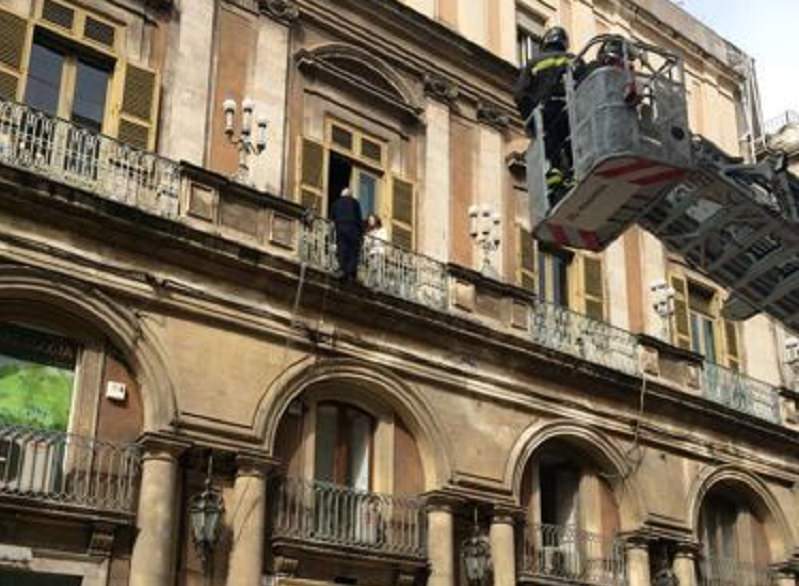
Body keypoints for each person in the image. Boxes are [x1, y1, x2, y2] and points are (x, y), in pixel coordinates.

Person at [513, 26, 578, 203]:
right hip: (570, 111)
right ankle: (572, 176)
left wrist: (530, 117)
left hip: (545, 114)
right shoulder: (573, 60)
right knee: (572, 145)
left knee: (551, 150)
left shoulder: (534, 63)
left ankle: (554, 182)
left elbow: (519, 94)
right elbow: (586, 82)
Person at [330, 187, 363, 282]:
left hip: (340, 227)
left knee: (342, 249)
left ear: (342, 194)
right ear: (350, 194)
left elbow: (332, 220)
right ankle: (351, 272)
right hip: (352, 228)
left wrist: (331, 235)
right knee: (353, 251)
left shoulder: (336, 203)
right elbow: (359, 218)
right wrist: (361, 234)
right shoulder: (355, 202)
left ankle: (342, 269)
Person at [364, 214, 387, 286]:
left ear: (376, 220)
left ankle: (377, 283)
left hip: (378, 252)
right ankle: (369, 283)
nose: (370, 222)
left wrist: (372, 241)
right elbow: (366, 243)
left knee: (377, 268)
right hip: (371, 253)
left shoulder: (382, 230)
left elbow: (383, 240)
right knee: (371, 268)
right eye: (369, 220)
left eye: (372, 220)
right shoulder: (368, 232)